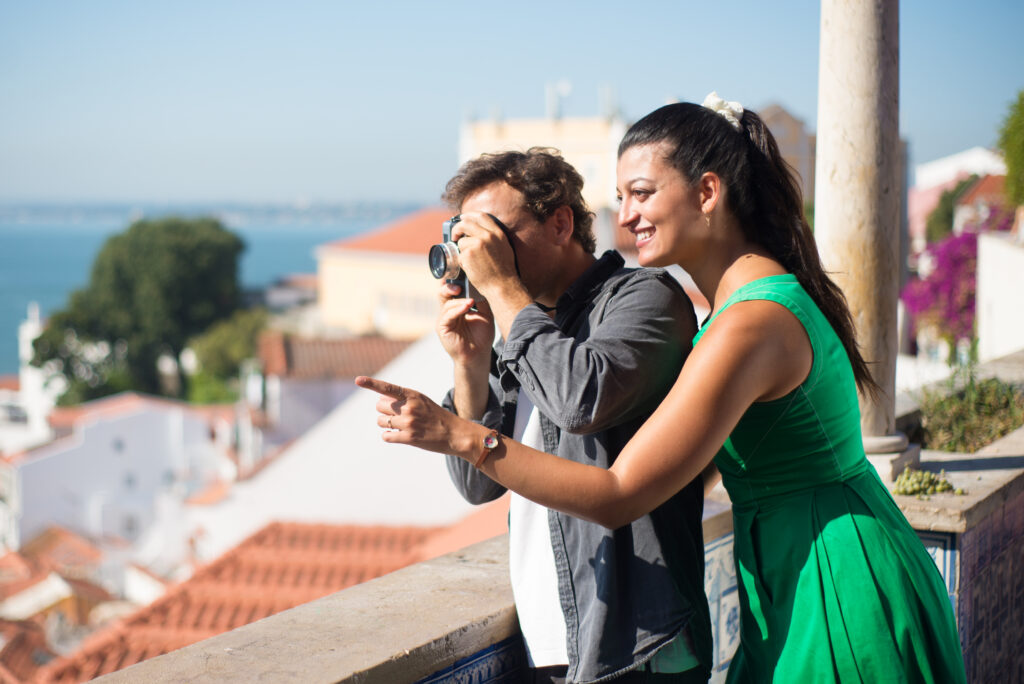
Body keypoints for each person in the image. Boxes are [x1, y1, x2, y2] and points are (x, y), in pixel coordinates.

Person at [358, 96, 967, 682]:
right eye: (621, 197)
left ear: (707, 193)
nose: (625, 217)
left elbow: (616, 491)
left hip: (835, 572)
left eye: (643, 194)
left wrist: (463, 431)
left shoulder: (749, 323)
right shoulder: (737, 313)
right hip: (791, 564)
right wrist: (472, 363)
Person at [429, 147, 713, 683]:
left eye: (492, 237)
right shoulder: (513, 326)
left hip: (640, 641)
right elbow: (476, 483)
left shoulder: (643, 298)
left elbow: (581, 402)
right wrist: (468, 365)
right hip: (554, 637)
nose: (480, 259)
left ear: (560, 223)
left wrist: (504, 292)